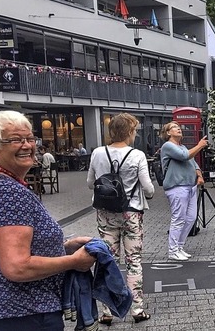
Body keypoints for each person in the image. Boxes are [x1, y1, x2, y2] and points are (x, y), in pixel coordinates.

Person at [0, 110, 96, 331]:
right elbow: (17, 267)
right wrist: (75, 261)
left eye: (30, 138)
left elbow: (9, 250)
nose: (27, 145)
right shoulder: (7, 192)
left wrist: (62, 248)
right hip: (22, 315)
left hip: (10, 313)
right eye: (15, 140)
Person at [87, 112, 155, 324]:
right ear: (129, 132)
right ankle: (137, 309)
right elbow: (149, 188)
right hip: (131, 213)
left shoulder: (98, 153)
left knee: (109, 260)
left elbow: (90, 183)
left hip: (105, 214)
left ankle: (107, 310)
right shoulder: (137, 155)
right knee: (133, 261)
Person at [160, 121, 207, 261]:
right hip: (177, 187)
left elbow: (193, 162)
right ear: (168, 133)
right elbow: (185, 156)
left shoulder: (183, 146)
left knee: (191, 218)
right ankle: (172, 250)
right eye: (174, 127)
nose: (178, 129)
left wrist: (199, 175)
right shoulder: (168, 146)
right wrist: (199, 146)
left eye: (179, 127)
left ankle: (179, 246)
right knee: (178, 219)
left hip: (190, 186)